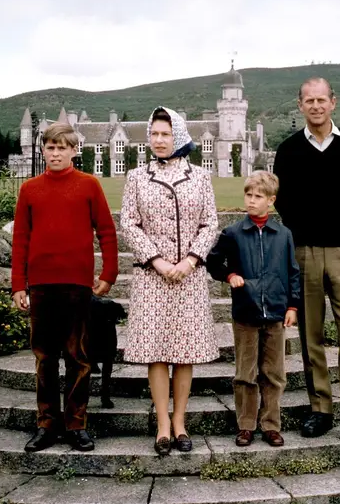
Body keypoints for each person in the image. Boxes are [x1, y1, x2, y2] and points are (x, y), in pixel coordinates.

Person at [273, 77, 340, 445]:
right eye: (309, 101)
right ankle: (320, 409)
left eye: (322, 100)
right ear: (300, 105)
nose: (316, 106)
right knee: (310, 334)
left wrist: (326, 217)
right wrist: (309, 224)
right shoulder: (287, 151)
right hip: (304, 252)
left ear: (333, 102)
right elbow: (284, 202)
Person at [11, 122, 119, 453]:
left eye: (62, 147)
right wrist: (19, 285)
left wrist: (109, 273)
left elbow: (107, 231)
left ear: (74, 150)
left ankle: (76, 424)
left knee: (78, 356)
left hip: (77, 284)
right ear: (42, 150)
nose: (55, 153)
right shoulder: (30, 189)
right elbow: (21, 239)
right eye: (50, 147)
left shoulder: (89, 185)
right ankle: (47, 424)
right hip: (41, 284)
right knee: (45, 357)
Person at [120, 106, 219, 456]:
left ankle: (180, 422)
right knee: (157, 353)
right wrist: (158, 261)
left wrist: (191, 259)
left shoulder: (200, 177)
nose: (159, 140)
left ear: (177, 135)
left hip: (189, 277)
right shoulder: (136, 177)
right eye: (154, 134)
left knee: (185, 352)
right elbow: (129, 223)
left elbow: (210, 223)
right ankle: (162, 424)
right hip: (152, 277)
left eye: (165, 134)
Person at [206, 171, 300, 448]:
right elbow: (213, 263)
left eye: (258, 197)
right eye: (248, 195)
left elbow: (293, 272)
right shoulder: (233, 233)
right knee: (245, 374)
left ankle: (271, 425)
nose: (251, 201)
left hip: (275, 314)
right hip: (245, 314)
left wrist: (292, 306)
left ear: (270, 201)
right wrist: (229, 275)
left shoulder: (283, 235)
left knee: (273, 373)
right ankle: (245, 425)